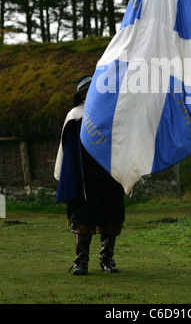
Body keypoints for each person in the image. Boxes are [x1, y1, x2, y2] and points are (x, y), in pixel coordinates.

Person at [54, 75, 125, 276]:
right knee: (83, 220)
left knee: (111, 219)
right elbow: (69, 150)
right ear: (81, 95)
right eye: (87, 91)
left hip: (110, 175)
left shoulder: (114, 114)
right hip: (85, 177)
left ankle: (107, 259)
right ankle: (81, 261)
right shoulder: (75, 116)